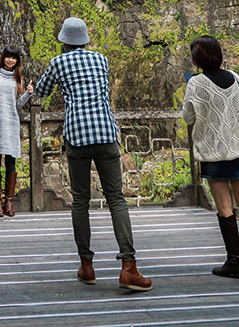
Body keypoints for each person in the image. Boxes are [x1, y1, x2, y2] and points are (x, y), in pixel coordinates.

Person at [35, 16, 152, 292]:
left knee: (80, 201)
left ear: (64, 41)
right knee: (116, 199)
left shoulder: (58, 62)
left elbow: (41, 91)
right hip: (105, 133)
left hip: (76, 135)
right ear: (86, 40)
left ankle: (86, 266)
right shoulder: (101, 60)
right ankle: (129, 267)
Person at [181, 34, 239, 279]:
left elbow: (188, 117)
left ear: (198, 58)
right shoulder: (236, 78)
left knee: (224, 207)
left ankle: (235, 262)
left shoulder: (196, 83)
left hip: (214, 152)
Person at [0, 46, 34, 217]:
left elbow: (18, 105)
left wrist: (28, 94)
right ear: (3, 58)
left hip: (11, 124)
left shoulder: (18, 79)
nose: (10, 60)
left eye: (14, 58)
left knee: (11, 163)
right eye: (8, 57)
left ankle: (8, 202)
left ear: (17, 60)